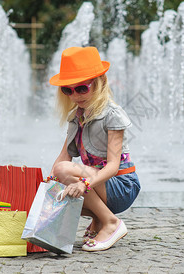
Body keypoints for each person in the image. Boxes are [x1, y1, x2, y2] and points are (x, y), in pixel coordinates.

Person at [47, 46, 141, 252]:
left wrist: (84, 184)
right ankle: (98, 219)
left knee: (64, 171)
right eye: (68, 90)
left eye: (82, 88)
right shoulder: (76, 117)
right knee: (57, 187)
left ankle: (110, 222)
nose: (75, 95)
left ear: (99, 83)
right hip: (99, 183)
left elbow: (113, 166)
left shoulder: (112, 114)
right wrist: (49, 183)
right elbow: (64, 155)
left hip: (121, 185)